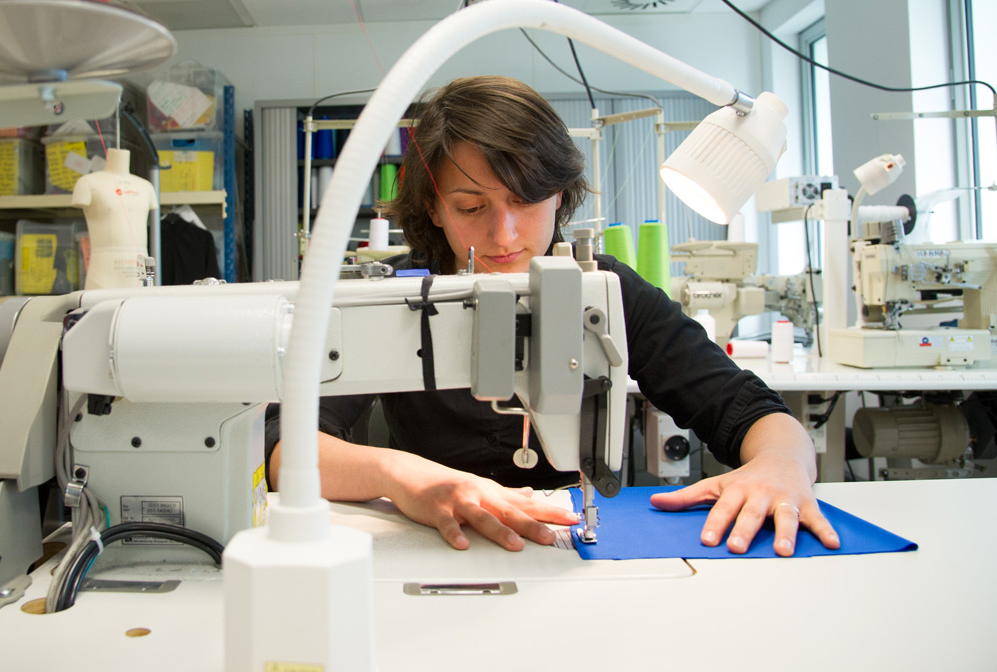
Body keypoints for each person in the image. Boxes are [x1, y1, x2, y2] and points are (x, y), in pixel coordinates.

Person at [265, 75, 840, 558]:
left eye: (525, 201)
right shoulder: (392, 294)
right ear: (434, 208)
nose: (504, 234)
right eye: (470, 206)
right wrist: (401, 476)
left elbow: (746, 408)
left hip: (565, 546)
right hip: (432, 548)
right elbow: (283, 443)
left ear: (560, 195)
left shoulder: (605, 291)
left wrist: (781, 463)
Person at [71, 148, 155, 289]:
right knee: (101, 303)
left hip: (141, 268)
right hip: (104, 271)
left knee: (144, 302)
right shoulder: (87, 183)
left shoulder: (146, 186)